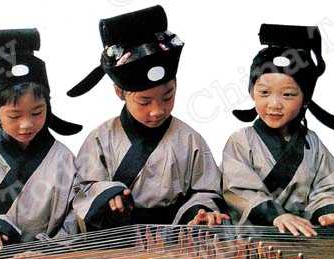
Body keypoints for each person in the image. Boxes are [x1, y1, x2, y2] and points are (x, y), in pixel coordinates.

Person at [67, 5, 229, 232]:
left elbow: (207, 190)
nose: (157, 110)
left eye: (168, 96)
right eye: (144, 101)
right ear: (119, 92)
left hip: (174, 240)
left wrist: (199, 213)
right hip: (118, 240)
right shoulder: (100, 139)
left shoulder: (190, 139)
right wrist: (107, 195)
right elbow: (82, 190)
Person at [222, 24, 334, 237]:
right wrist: (276, 215)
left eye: (288, 95)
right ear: (252, 92)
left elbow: (328, 187)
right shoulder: (240, 141)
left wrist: (332, 213)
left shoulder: (312, 143)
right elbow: (237, 190)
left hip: (302, 238)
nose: (274, 104)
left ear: (305, 99)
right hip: (250, 242)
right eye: (264, 92)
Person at [0, 29, 82, 249]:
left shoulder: (64, 159)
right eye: (14, 115)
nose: (27, 124)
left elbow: (75, 215)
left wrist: (45, 249)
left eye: (37, 112)